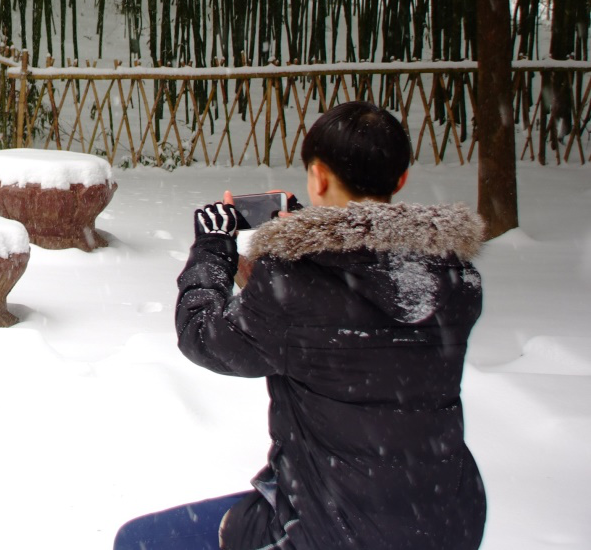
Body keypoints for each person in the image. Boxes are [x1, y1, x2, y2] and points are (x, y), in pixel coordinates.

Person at [116, 101, 487, 550]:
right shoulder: (457, 279)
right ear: (401, 179)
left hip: (329, 529)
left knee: (139, 541)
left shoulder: (297, 283)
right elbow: (355, 322)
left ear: (318, 178)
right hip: (446, 521)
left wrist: (213, 250)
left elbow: (204, 336)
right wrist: (292, 256)